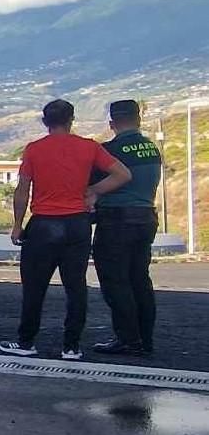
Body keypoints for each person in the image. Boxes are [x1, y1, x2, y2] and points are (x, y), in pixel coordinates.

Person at [0, 99, 131, 361]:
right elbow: (123, 174)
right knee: (75, 286)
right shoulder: (89, 147)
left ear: (45, 122)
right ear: (72, 120)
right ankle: (71, 346)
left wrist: (17, 225)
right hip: (78, 224)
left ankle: (26, 341)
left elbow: (22, 190)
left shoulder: (34, 150)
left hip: (44, 224)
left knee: (35, 287)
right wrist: (93, 191)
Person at [90, 99, 163, 357]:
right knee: (140, 279)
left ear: (112, 123)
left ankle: (127, 339)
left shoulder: (110, 150)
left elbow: (91, 186)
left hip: (116, 221)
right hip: (146, 219)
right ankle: (145, 338)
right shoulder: (151, 148)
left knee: (116, 282)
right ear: (138, 119)